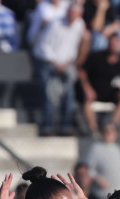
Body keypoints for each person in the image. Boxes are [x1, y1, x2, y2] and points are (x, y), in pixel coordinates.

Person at [31, 3, 88, 136]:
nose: (73, 17)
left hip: (66, 64)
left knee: (69, 94)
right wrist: (56, 63)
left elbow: (73, 47)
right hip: (48, 62)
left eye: (76, 14)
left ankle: (65, 126)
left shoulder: (79, 25)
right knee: (50, 94)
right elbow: (44, 46)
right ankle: (47, 126)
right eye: (71, 13)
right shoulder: (55, 24)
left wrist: (69, 63)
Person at [77, 33, 120, 131]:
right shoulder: (96, 57)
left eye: (116, 43)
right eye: (112, 43)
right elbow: (82, 72)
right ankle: (93, 130)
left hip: (111, 93)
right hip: (94, 92)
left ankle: (112, 126)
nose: (114, 45)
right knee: (87, 102)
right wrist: (87, 89)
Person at [82, 122, 120, 191]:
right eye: (106, 131)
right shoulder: (95, 148)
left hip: (118, 192)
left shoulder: (118, 148)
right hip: (100, 194)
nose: (109, 133)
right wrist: (97, 178)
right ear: (102, 133)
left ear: (115, 134)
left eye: (111, 131)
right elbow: (86, 169)